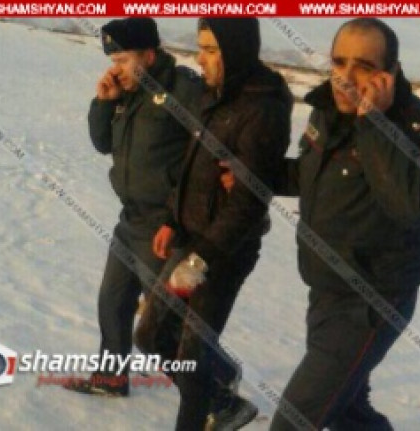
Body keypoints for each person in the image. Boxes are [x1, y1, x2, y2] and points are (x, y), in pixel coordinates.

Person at [265, 18, 420, 430]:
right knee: (348, 411)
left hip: (371, 299)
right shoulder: (327, 111)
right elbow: (311, 176)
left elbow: (413, 206)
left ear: (390, 72)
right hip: (326, 287)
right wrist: (250, 172)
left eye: (364, 66)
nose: (346, 77)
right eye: (339, 62)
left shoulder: (417, 128)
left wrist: (374, 122)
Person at [134, 18, 293, 431]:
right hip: (190, 237)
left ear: (235, 52)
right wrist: (172, 219)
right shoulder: (216, 92)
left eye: (209, 50)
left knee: (192, 354)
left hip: (223, 252)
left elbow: (249, 202)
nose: (199, 59)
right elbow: (193, 164)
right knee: (150, 336)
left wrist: (201, 258)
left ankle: (204, 412)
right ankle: (221, 401)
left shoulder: (264, 109)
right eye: (200, 47)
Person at [64, 17, 202, 396]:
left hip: (164, 226)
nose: (117, 69)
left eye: (124, 60)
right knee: (113, 302)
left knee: (165, 321)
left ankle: (216, 390)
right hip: (130, 220)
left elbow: (208, 156)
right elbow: (102, 143)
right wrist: (103, 103)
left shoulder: (182, 90)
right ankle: (111, 378)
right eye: (114, 61)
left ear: (149, 55)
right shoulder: (127, 91)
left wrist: (177, 219)